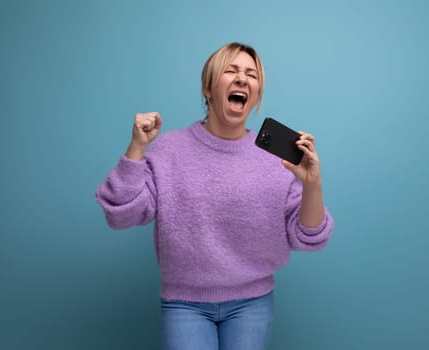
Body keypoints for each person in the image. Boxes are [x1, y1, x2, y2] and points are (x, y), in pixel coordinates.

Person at [95, 42, 334, 350]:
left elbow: (309, 237)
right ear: (208, 88)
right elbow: (120, 215)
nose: (242, 79)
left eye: (251, 74)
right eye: (230, 70)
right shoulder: (170, 150)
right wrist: (137, 148)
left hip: (253, 302)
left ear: (256, 93)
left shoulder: (280, 160)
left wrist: (312, 184)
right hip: (185, 304)